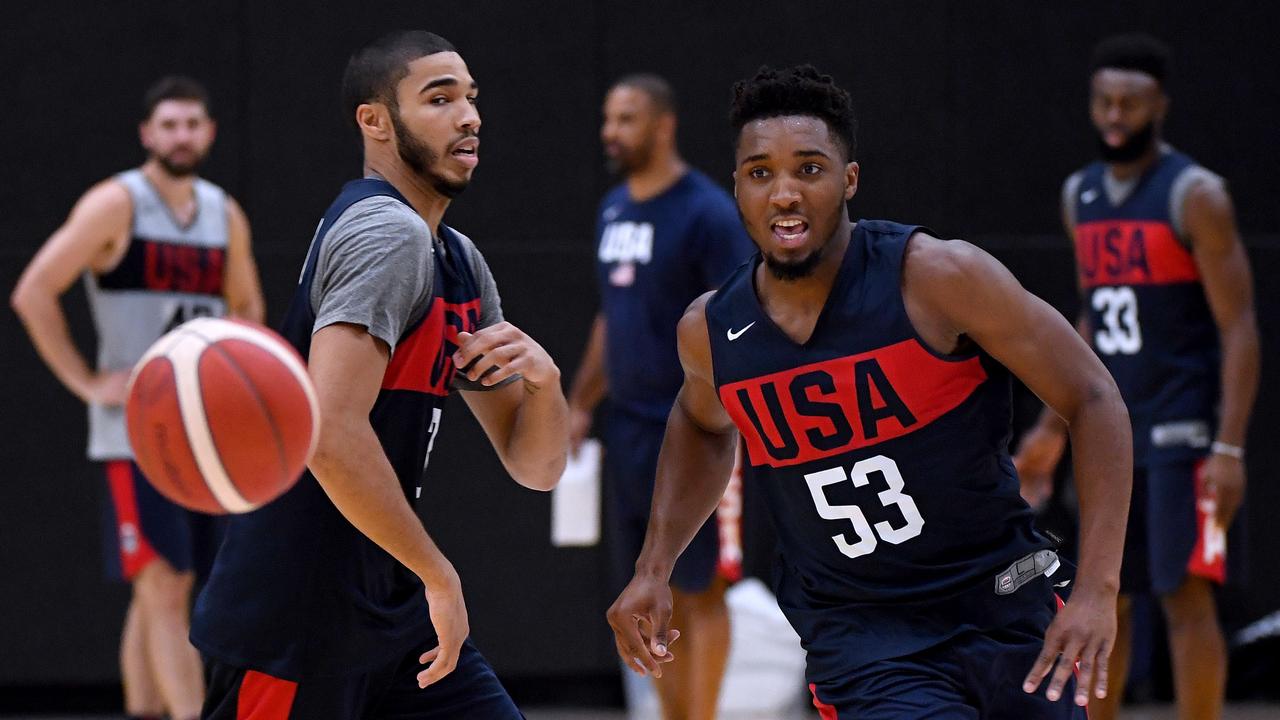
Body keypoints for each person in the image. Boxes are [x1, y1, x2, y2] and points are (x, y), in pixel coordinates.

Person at [607, 64, 1133, 719]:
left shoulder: (938, 278)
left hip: (1002, 594)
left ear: (849, 179)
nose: (785, 193)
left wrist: (1096, 589)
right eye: (761, 173)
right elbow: (703, 423)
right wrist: (654, 567)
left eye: (809, 168)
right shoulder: (712, 332)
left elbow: (1093, 396)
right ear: (738, 189)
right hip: (861, 634)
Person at [189, 31, 568, 718]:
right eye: (440, 98)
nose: (469, 116)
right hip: (296, 618)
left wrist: (546, 384)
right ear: (375, 121)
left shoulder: (457, 257)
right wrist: (439, 575)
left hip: (386, 610)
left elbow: (534, 465)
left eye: (472, 99)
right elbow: (329, 432)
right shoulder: (386, 235)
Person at [1015, 34, 1259, 720]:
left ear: (1160, 107)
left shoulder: (1195, 194)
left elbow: (1239, 326)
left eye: (1130, 102)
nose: (1115, 114)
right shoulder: (1080, 194)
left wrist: (1230, 446)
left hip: (1183, 427)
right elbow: (1092, 316)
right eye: (1104, 101)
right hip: (1111, 429)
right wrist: (1049, 426)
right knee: (1104, 594)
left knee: (1185, 596)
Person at [11, 76, 264, 720]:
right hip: (137, 430)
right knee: (164, 581)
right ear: (148, 135)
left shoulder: (221, 212)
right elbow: (33, 291)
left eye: (193, 124)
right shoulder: (115, 203)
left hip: (200, 430)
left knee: (162, 589)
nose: (182, 136)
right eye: (169, 125)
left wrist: (243, 384)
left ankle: (146, 708)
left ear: (208, 133)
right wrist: (85, 380)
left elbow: (249, 308)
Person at [566, 73, 752, 720]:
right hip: (628, 432)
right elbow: (608, 319)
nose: (610, 132)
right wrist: (580, 402)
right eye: (608, 118)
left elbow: (739, 320)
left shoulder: (706, 213)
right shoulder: (613, 209)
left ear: (663, 125)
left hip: (696, 431)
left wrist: (733, 422)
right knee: (652, 587)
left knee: (701, 588)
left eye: (626, 119)